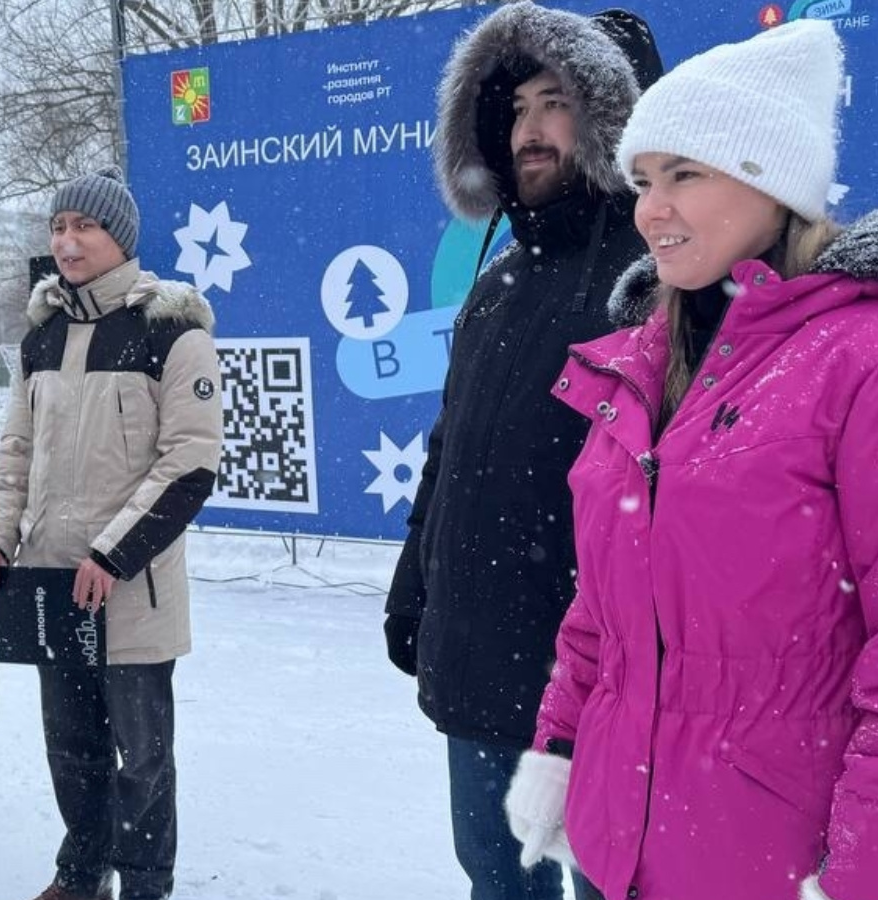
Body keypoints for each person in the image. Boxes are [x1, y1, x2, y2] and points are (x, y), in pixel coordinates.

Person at [503, 20, 878, 900]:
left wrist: (868, 880)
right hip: (623, 852)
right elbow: (602, 613)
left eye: (685, 174)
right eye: (643, 181)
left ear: (772, 183)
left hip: (789, 872)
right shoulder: (640, 368)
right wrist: (562, 751)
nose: (650, 210)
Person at [382, 5, 660, 899]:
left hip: (604, 679)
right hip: (481, 666)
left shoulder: (658, 279)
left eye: (556, 103)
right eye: (516, 110)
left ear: (614, 116)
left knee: (616, 883)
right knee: (497, 880)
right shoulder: (496, 280)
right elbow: (450, 451)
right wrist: (416, 586)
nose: (529, 131)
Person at [0, 167, 223, 900]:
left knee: (142, 758)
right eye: (58, 226)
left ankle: (146, 885)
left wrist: (113, 554)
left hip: (132, 590)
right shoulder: (42, 335)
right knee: (72, 749)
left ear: (120, 236)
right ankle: (82, 872)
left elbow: (189, 464)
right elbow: (16, 451)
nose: (67, 240)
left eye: (83, 226)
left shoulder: (171, 330)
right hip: (52, 584)